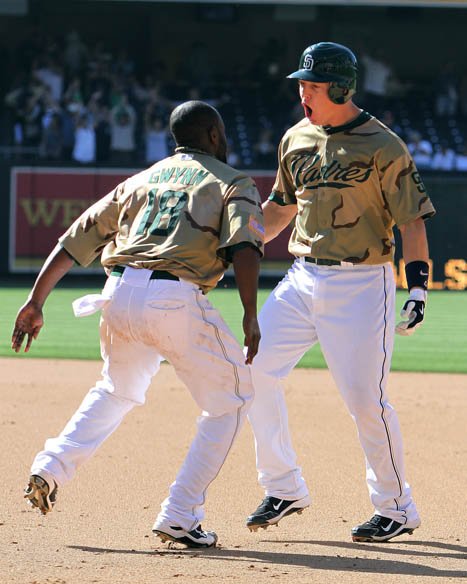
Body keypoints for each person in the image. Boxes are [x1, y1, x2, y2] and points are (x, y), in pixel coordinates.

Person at [12, 100, 264, 549]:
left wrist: (35, 300)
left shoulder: (141, 179)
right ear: (211, 135)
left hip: (118, 291)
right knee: (232, 398)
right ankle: (180, 514)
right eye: (221, 132)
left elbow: (75, 239)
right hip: (173, 295)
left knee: (116, 389)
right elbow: (245, 247)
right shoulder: (233, 181)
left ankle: (50, 467)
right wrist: (249, 312)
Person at [245, 42, 436, 543]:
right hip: (301, 277)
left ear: (342, 87)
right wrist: (237, 246)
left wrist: (418, 288)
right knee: (252, 371)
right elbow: (279, 210)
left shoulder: (383, 143)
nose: (303, 91)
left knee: (365, 402)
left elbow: (412, 219)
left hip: (361, 282)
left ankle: (397, 507)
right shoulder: (295, 138)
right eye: (302, 83)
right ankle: (283, 486)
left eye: (312, 83)